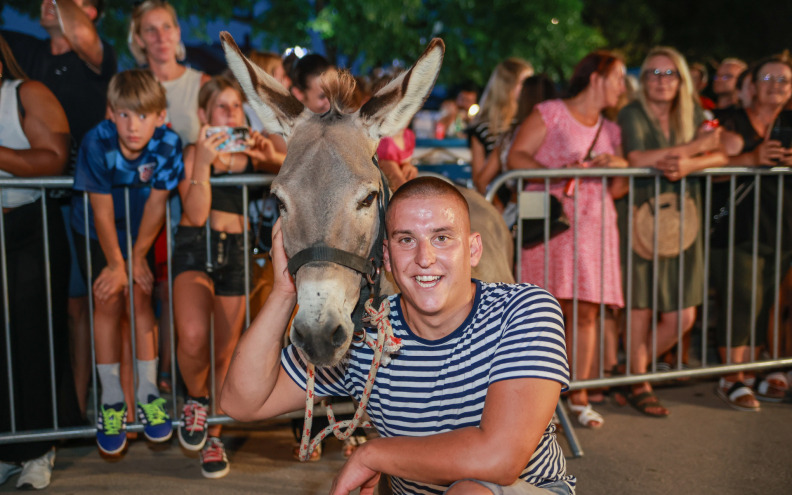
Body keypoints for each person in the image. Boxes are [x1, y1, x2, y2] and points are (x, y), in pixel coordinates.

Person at [221, 176, 575, 494]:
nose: (425, 258)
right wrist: (284, 291)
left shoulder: (524, 310)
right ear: (387, 257)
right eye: (407, 240)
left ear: (473, 248)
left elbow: (499, 459)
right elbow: (242, 402)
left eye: (442, 237)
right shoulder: (366, 336)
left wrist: (372, 455)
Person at [3, 0, 118, 420]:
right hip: (39, 201)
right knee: (55, 305)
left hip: (88, 197)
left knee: (85, 305)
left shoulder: (96, 55)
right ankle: (59, 405)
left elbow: (84, 37)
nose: (49, 4)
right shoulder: (28, 52)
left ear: (90, 12)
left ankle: (77, 404)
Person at [507, 51, 629, 428]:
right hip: (551, 225)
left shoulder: (611, 130)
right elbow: (516, 157)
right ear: (597, 77)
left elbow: (622, 188)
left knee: (588, 311)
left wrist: (620, 166)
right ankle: (540, 402)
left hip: (595, 226)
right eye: (619, 78)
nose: (623, 87)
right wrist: (557, 171)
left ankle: (580, 396)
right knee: (546, 311)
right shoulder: (551, 112)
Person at [70, 69, 184, 455]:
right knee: (107, 298)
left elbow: (156, 205)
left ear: (160, 116)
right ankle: (112, 399)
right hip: (97, 231)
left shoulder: (169, 143)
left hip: (141, 232)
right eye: (124, 115)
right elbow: (100, 214)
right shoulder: (96, 142)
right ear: (110, 113)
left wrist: (136, 257)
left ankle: (149, 391)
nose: (132, 126)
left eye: (142, 116)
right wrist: (116, 263)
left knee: (140, 295)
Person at [172, 76, 279, 478]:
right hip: (194, 248)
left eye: (236, 106)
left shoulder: (251, 155)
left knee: (224, 353)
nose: (232, 113)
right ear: (204, 114)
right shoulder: (190, 153)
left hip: (236, 254)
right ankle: (196, 400)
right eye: (223, 107)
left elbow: (298, 172)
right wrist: (202, 159)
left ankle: (212, 434)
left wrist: (269, 156)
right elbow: (196, 214)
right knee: (194, 337)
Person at [615, 46, 727, 417]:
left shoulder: (694, 112)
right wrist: (695, 147)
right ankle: (638, 380)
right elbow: (636, 160)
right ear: (643, 80)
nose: (662, 82)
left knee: (683, 315)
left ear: (682, 80)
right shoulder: (631, 113)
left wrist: (690, 164)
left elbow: (723, 155)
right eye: (653, 74)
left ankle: (632, 370)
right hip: (640, 220)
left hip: (684, 223)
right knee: (641, 307)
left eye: (669, 74)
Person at [0, 32, 77, 491]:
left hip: (26, 228)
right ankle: (6, 448)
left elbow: (54, 157)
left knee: (32, 338)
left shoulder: (25, 92)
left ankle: (38, 448)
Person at [710, 55, 792, 409]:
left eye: (784, 81)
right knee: (741, 301)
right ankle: (731, 377)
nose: (776, 86)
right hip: (736, 229)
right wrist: (753, 158)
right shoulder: (731, 122)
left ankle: (754, 369)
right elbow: (711, 170)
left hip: (783, 229)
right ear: (753, 86)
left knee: (767, 303)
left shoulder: (789, 123)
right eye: (769, 79)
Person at [128, 0, 211, 145]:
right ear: (139, 39)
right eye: (150, 30)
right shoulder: (129, 88)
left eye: (167, 27)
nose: (161, 37)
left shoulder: (203, 84)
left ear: (178, 32)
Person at [469, 58, 533, 194]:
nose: (530, 88)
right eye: (524, 82)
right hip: (498, 202)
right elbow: (479, 180)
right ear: (507, 86)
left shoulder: (530, 123)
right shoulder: (481, 129)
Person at [372, 72, 419, 190]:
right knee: (390, 166)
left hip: (400, 184)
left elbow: (406, 163)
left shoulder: (409, 137)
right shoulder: (382, 139)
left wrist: (408, 167)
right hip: (382, 183)